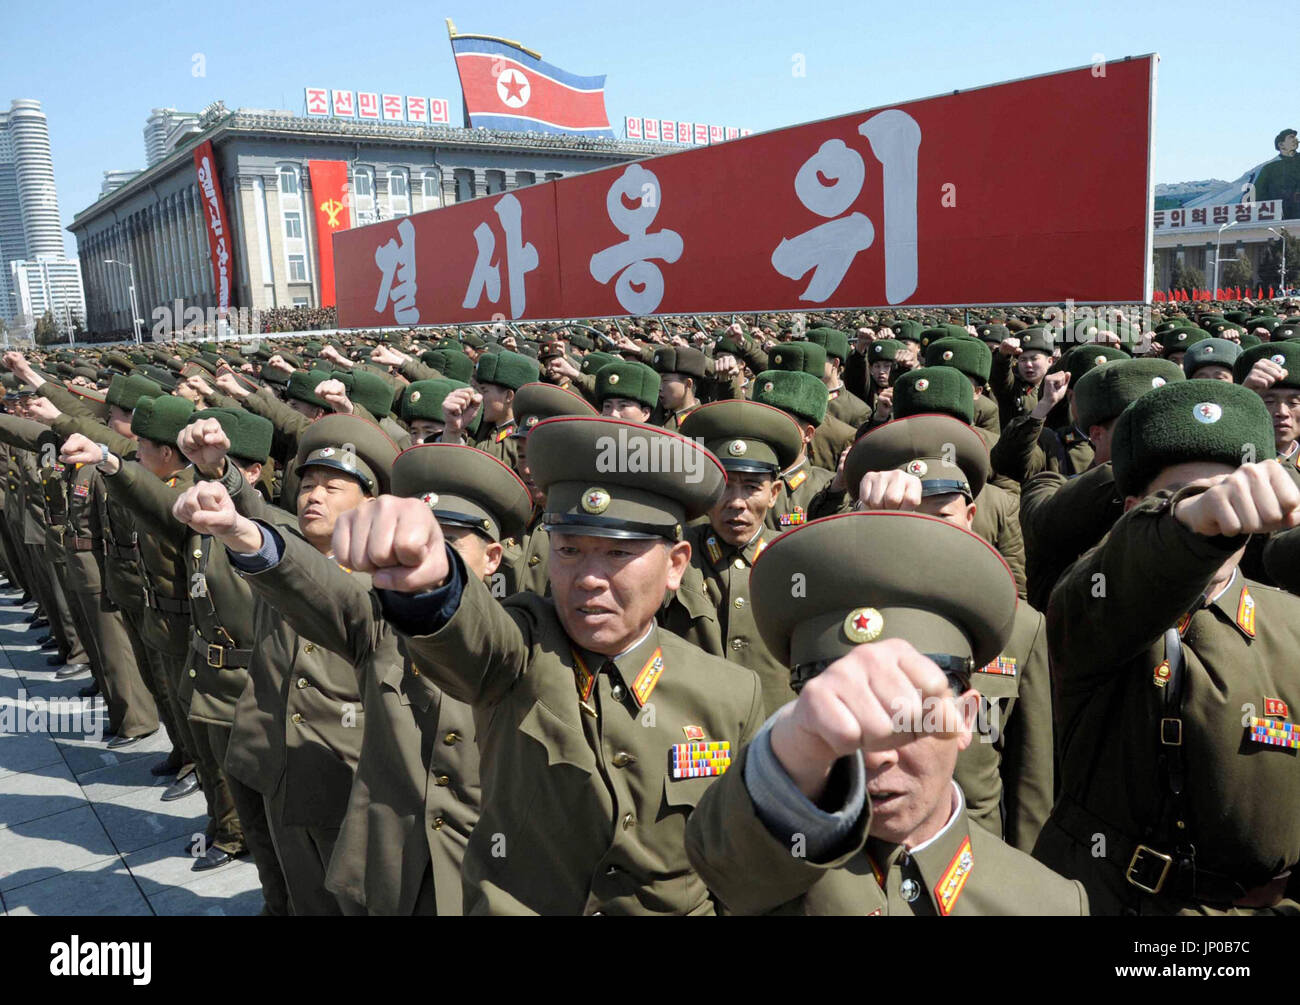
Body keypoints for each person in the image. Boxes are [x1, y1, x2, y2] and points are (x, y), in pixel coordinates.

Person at [331, 416, 765, 914]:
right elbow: (475, 634)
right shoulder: (523, 650)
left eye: (618, 553)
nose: (589, 579)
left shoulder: (731, 693)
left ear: (675, 564)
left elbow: (743, 863)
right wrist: (430, 579)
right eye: (570, 550)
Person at [682, 510, 1087, 915]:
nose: (875, 755)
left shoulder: (1050, 904)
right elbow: (723, 860)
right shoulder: (775, 871)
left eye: (908, 717)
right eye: (844, 714)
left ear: (966, 719)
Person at [1034, 379, 1300, 914]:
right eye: (1184, 493)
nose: (1221, 511)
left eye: (1228, 491)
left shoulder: (1290, 621)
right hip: (1110, 901)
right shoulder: (1094, 602)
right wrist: (1189, 525)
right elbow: (1127, 573)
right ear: (1134, 508)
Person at [843, 413, 1054, 852]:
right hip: (860, 852)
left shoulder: (1021, 625)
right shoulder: (846, 616)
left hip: (975, 852)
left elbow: (1031, 781)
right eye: (908, 518)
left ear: (972, 516)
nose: (928, 533)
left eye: (943, 515)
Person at [659, 400, 804, 715]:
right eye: (724, 487)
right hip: (692, 734)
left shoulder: (798, 560)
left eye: (752, 487)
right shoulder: (672, 553)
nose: (737, 503)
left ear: (775, 493)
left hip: (775, 733)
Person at [1254, 128, 1300, 222]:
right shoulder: (1269, 169)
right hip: (1279, 219)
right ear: (1281, 144)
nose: (1296, 139)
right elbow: (1257, 195)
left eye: (1296, 137)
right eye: (1291, 137)